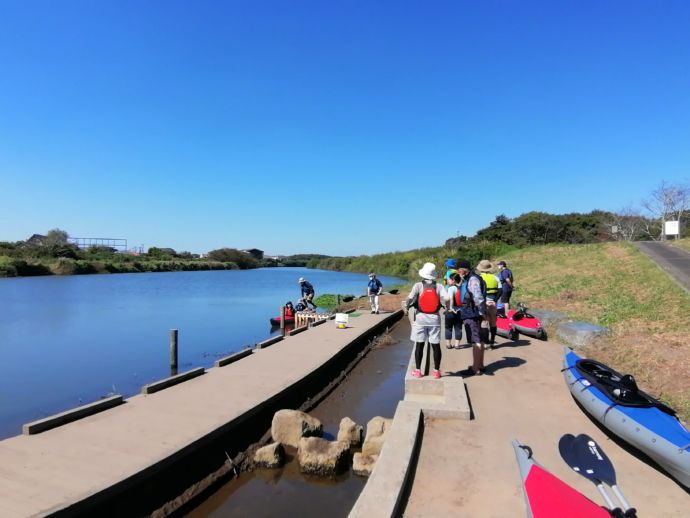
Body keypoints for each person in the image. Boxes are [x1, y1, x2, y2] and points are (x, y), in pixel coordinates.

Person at [404, 262, 448, 379]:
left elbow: (409, 300)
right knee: (435, 345)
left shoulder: (418, 285)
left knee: (419, 344)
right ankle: (436, 372)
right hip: (434, 319)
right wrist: (446, 308)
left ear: (423, 274)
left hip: (420, 318)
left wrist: (406, 309)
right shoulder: (439, 287)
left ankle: (418, 371)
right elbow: (446, 300)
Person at [456, 259, 487, 375]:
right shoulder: (471, 278)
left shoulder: (473, 279)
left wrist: (483, 313)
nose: (458, 272)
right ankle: (480, 365)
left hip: (473, 313)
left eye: (459, 270)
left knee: (475, 341)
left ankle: (475, 368)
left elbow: (478, 298)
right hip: (474, 313)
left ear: (462, 270)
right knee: (480, 339)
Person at [476, 260, 500, 347]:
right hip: (493, 302)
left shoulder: (478, 278)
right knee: (493, 323)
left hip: (483, 303)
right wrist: (495, 300)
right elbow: (500, 290)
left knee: (484, 323)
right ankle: (492, 341)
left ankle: (486, 344)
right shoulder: (495, 277)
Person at [444, 272, 463, 349]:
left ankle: (448, 344)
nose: (448, 281)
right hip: (460, 311)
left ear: (453, 280)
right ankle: (457, 345)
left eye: (449, 279)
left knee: (448, 327)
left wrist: (450, 308)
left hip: (451, 311)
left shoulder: (451, 288)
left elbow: (451, 299)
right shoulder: (462, 287)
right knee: (458, 328)